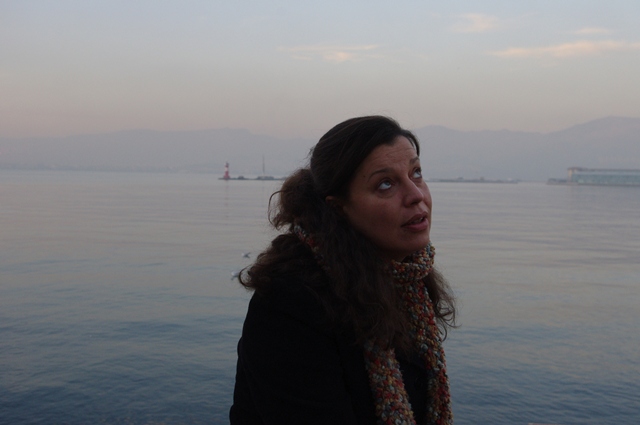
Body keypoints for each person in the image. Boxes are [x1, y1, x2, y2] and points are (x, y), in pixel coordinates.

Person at [229, 116, 456, 425]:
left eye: (416, 173)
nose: (416, 195)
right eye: (386, 184)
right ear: (338, 209)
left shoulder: (406, 281)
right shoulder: (290, 304)